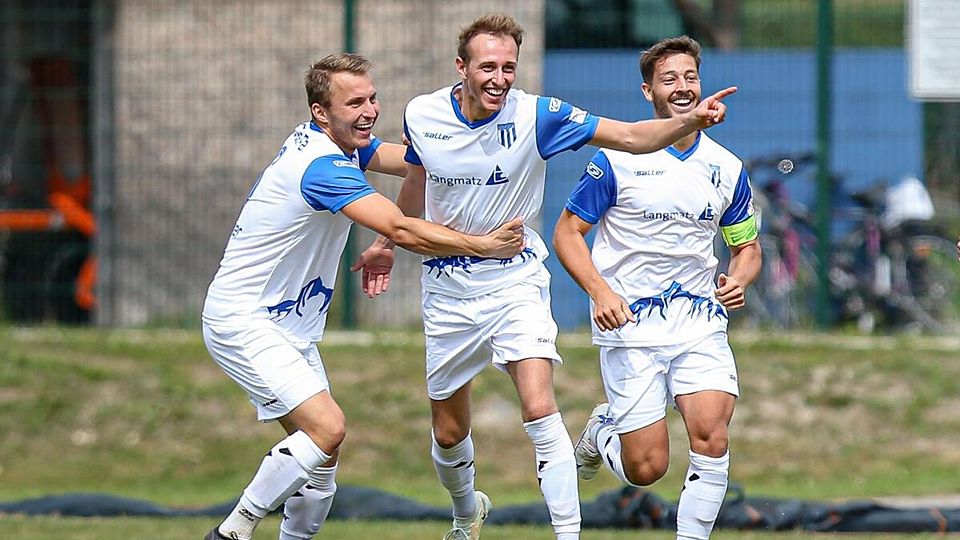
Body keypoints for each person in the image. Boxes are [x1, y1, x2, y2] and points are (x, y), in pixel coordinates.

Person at [353, 15, 735, 540]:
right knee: (448, 431)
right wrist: (384, 242)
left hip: (515, 279)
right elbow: (420, 177)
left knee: (540, 406)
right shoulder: (422, 113)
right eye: (488, 66)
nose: (499, 78)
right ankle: (467, 511)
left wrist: (690, 123)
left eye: (509, 67)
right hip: (447, 287)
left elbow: (627, 134)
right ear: (460, 67)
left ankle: (567, 534)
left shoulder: (539, 114)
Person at [200, 52, 525, 540]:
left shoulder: (347, 146)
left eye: (372, 98)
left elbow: (421, 161)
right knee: (327, 429)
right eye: (354, 103)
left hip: (286, 326)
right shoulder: (321, 166)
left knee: (322, 462)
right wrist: (483, 246)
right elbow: (399, 227)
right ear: (320, 112)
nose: (370, 110)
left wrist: (472, 135)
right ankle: (233, 531)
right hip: (243, 319)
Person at [552, 36, 762, 540]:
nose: (683, 86)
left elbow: (746, 248)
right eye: (670, 79)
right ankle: (604, 430)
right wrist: (601, 292)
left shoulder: (726, 167)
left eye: (690, 76)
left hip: (699, 324)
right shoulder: (617, 158)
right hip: (632, 325)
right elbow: (566, 233)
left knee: (711, 435)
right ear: (649, 92)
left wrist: (738, 280)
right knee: (646, 469)